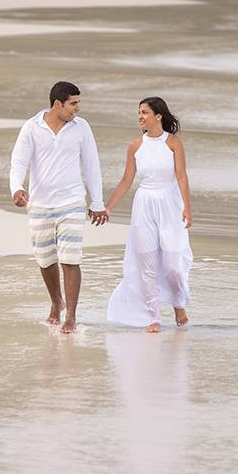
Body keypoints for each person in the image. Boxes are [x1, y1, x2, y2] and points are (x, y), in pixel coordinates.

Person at [9, 81, 108, 334]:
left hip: (72, 201)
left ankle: (71, 317)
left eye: (78, 102)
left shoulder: (81, 127)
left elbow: (91, 166)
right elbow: (19, 161)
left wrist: (97, 203)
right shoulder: (32, 127)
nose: (78, 108)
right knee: (45, 259)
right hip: (40, 202)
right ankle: (56, 301)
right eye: (73, 103)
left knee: (70, 258)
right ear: (57, 104)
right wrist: (16, 188)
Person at [103, 96, 192, 333]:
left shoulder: (173, 143)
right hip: (144, 205)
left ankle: (178, 302)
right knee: (147, 264)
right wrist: (108, 207)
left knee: (173, 262)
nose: (140, 116)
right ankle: (152, 316)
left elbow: (182, 176)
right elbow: (126, 181)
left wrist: (187, 207)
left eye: (144, 112)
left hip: (170, 203)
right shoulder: (135, 146)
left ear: (158, 116)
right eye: (139, 112)